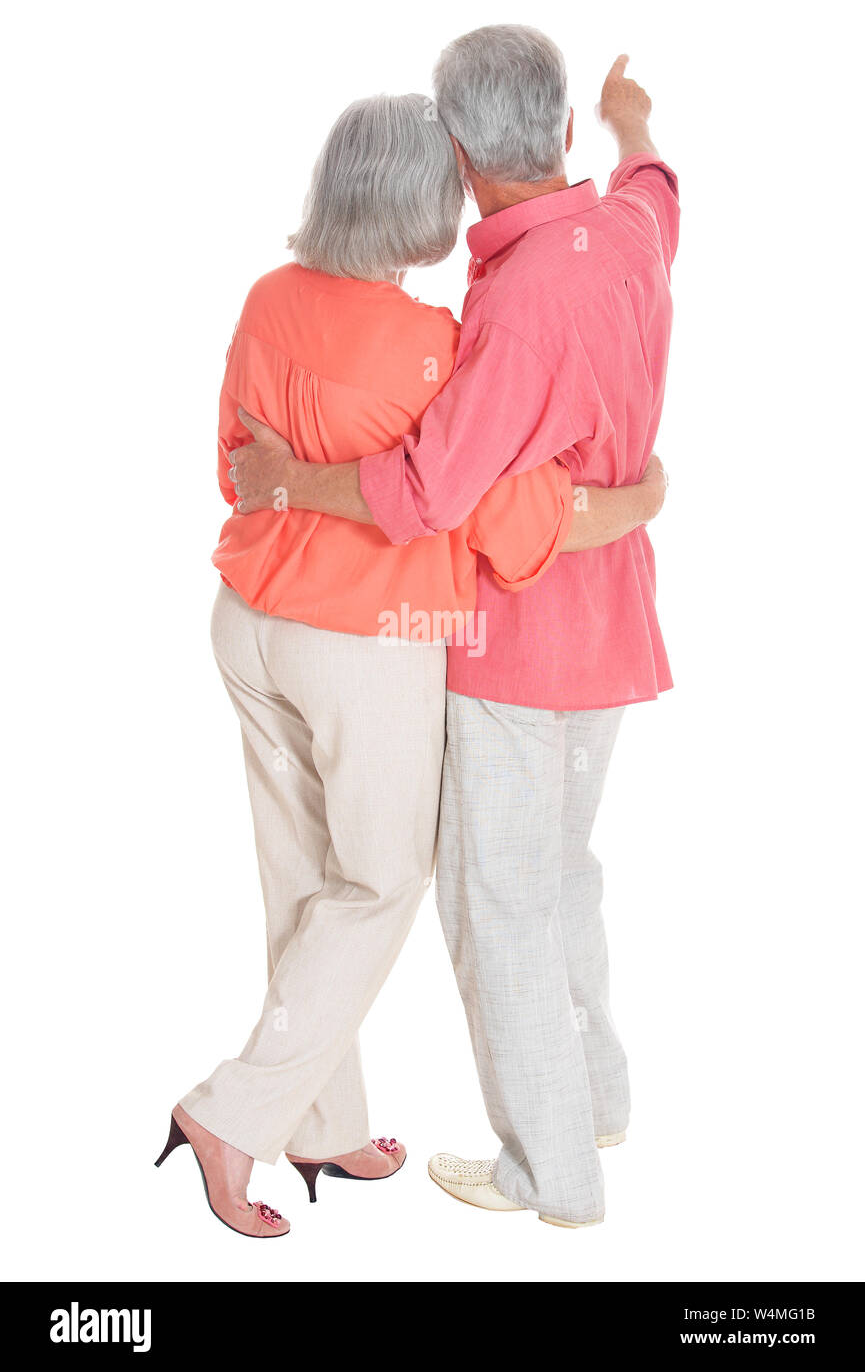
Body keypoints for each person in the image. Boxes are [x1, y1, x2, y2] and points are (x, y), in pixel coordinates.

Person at [156, 89, 666, 1237]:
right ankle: (231, 1119)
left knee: (301, 877)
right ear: (419, 202)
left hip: (245, 620)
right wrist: (639, 494)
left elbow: (232, 463)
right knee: (380, 883)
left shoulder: (265, 298)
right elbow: (508, 516)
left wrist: (290, 485)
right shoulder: (434, 348)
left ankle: (322, 1124)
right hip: (360, 645)